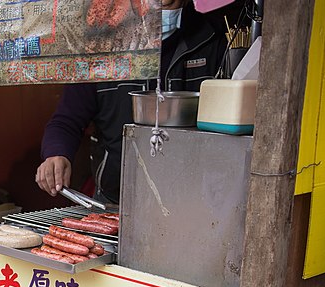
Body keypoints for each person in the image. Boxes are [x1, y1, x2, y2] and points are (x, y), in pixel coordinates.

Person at [36, 0, 229, 204]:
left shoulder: (213, 40)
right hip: (116, 201)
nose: (159, 9)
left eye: (168, 2)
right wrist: (56, 154)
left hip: (192, 200)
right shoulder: (102, 46)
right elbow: (67, 120)